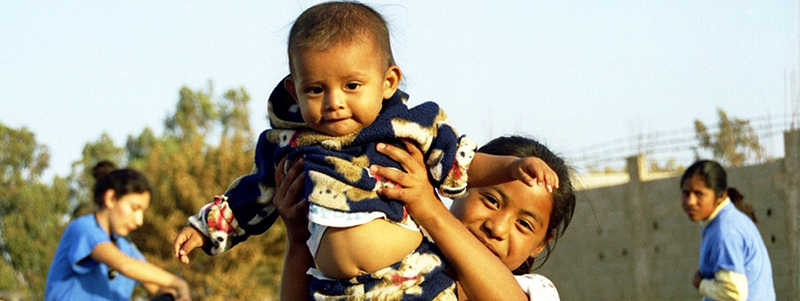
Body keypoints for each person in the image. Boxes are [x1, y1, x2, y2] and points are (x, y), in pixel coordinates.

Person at [174, 1, 558, 299]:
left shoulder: (404, 129)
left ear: (387, 82)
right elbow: (251, 194)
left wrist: (510, 168)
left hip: (414, 282)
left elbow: (460, 157)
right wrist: (214, 229)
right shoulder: (292, 146)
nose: (335, 102)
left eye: (352, 86)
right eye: (316, 89)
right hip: (339, 292)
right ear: (294, 90)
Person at [275, 135, 575, 301]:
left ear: (540, 245)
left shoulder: (532, 290)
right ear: (459, 186)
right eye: (491, 201)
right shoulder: (400, 246)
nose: (497, 227)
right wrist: (301, 240)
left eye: (524, 224)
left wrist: (429, 207)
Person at [45, 161, 191, 301]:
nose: (139, 220)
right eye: (135, 208)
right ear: (111, 198)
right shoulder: (84, 228)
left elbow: (156, 286)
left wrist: (175, 295)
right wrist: (179, 283)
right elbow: (124, 265)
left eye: (143, 211)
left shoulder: (126, 248)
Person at [680, 160, 775, 301]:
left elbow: (733, 293)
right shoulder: (726, 221)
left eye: (699, 194)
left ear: (721, 196)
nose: (690, 201)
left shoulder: (724, 231)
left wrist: (700, 284)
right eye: (686, 193)